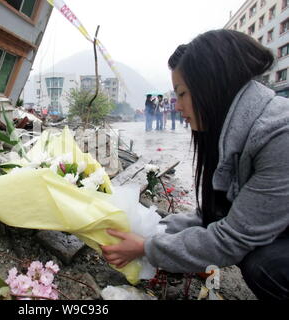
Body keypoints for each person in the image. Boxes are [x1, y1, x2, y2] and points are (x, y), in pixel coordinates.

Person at [101, 29, 289, 300]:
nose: (176, 107)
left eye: (182, 94)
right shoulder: (236, 132)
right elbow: (218, 214)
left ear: (210, 87)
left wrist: (146, 248)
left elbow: (234, 237)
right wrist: (155, 227)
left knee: (264, 264)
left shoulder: (278, 134)